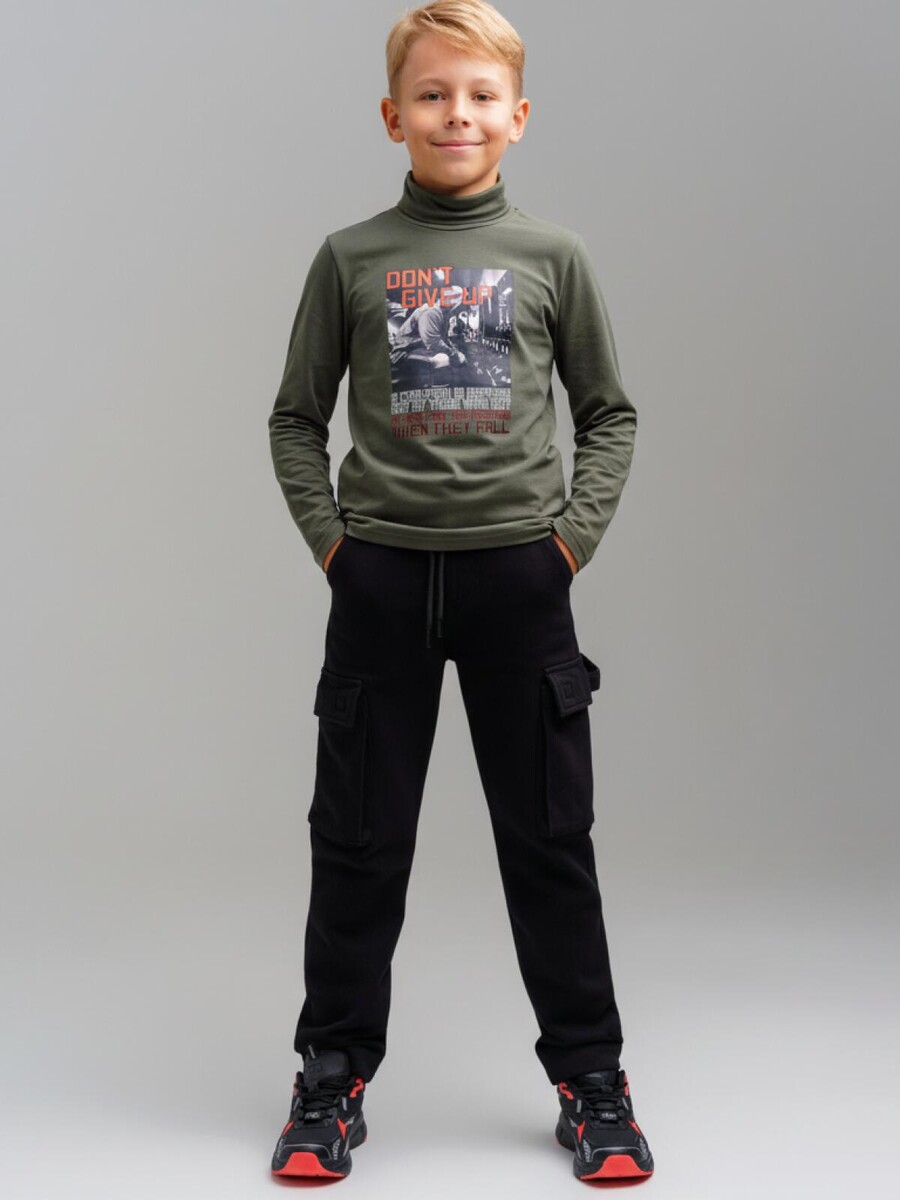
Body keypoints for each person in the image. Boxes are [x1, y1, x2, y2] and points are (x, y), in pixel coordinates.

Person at [267, 0, 654, 1182]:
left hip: (519, 587)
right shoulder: (350, 258)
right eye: (432, 94)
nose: (457, 115)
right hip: (380, 586)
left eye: (481, 95)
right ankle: (330, 1080)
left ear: (518, 116)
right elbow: (294, 420)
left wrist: (567, 546)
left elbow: (609, 414)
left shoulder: (554, 258)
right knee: (358, 843)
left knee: (550, 845)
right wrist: (337, 549)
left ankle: (593, 1082)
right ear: (393, 116)